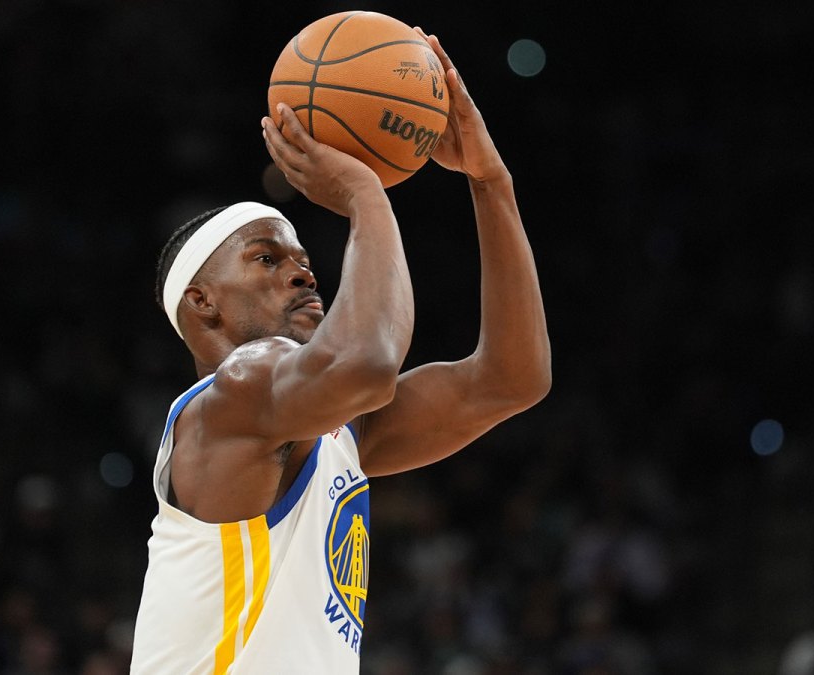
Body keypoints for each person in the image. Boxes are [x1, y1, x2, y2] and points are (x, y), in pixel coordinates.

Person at [130, 29, 551, 674]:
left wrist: (490, 182)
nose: (303, 273)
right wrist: (364, 194)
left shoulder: (335, 431)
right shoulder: (233, 395)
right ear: (202, 302)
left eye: (303, 259)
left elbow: (511, 380)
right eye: (266, 259)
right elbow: (368, 363)